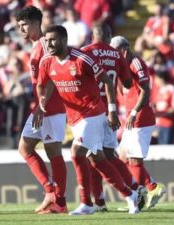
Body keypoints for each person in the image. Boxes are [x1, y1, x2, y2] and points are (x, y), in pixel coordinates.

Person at [37, 25, 139, 215]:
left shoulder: (82, 58)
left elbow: (108, 83)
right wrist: (41, 103)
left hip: (93, 112)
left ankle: (87, 204)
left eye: (53, 40)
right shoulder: (47, 61)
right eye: (47, 40)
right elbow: (45, 83)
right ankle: (130, 194)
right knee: (97, 159)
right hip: (74, 117)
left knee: (77, 153)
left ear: (64, 40)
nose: (49, 44)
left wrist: (112, 111)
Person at [82, 22, 145, 211]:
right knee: (108, 155)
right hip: (110, 113)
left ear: (93, 36)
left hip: (90, 111)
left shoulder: (84, 52)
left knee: (92, 155)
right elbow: (127, 83)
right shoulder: (116, 54)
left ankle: (102, 201)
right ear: (109, 36)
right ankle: (135, 188)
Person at [15, 6, 67, 214]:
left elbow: (54, 76)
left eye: (24, 25)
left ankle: (60, 202)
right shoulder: (36, 46)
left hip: (50, 108)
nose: (21, 29)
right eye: (19, 26)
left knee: (53, 153)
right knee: (24, 148)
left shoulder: (45, 45)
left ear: (37, 23)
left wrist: (42, 106)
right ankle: (50, 191)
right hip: (40, 108)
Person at [110, 36, 166, 209]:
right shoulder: (123, 65)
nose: (113, 57)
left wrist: (134, 112)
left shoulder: (136, 63)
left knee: (134, 160)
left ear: (124, 50)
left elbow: (145, 90)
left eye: (115, 53)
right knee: (122, 159)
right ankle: (138, 196)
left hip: (140, 118)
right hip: (131, 118)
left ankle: (153, 188)